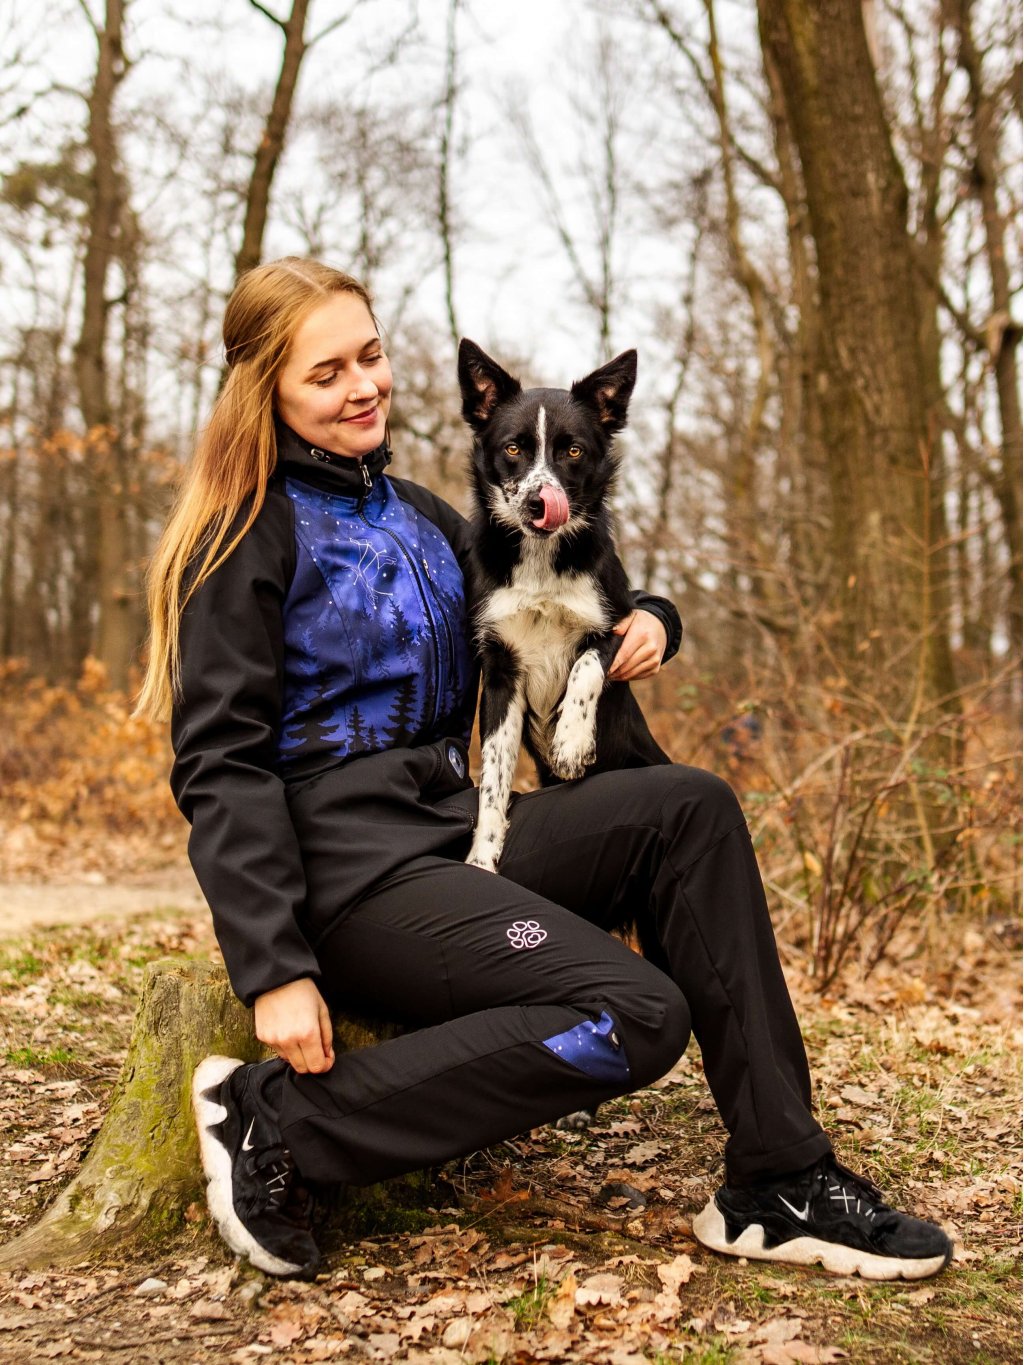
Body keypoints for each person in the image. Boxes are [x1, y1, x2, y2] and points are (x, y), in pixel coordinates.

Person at [137, 256, 952, 1284]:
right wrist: (272, 966)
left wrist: (654, 616)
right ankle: (281, 1123)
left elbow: (567, 593)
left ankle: (778, 1181)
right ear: (269, 392)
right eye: (325, 373)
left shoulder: (430, 521)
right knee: (632, 1012)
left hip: (454, 832)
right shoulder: (245, 535)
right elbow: (220, 763)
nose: (362, 387)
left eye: (372, 356)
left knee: (688, 805)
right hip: (349, 879)